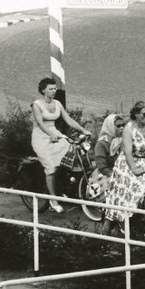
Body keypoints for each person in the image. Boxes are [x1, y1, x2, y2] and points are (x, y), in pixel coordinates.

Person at [30, 77, 88, 213]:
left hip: (55, 134)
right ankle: (53, 199)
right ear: (43, 90)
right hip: (41, 137)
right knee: (51, 167)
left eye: (55, 88)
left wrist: (83, 130)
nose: (54, 91)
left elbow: (68, 119)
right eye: (50, 89)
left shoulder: (57, 103)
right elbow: (40, 123)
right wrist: (51, 134)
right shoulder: (36, 105)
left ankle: (69, 189)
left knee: (72, 154)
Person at [104, 101, 145, 223]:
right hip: (127, 164)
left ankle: (142, 219)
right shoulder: (129, 129)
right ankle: (123, 220)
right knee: (137, 190)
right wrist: (134, 169)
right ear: (136, 115)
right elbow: (127, 152)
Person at [86, 112, 127, 200]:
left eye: (123, 125)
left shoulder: (121, 141)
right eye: (118, 126)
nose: (122, 128)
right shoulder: (102, 144)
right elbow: (102, 166)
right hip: (106, 173)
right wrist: (113, 175)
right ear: (110, 127)